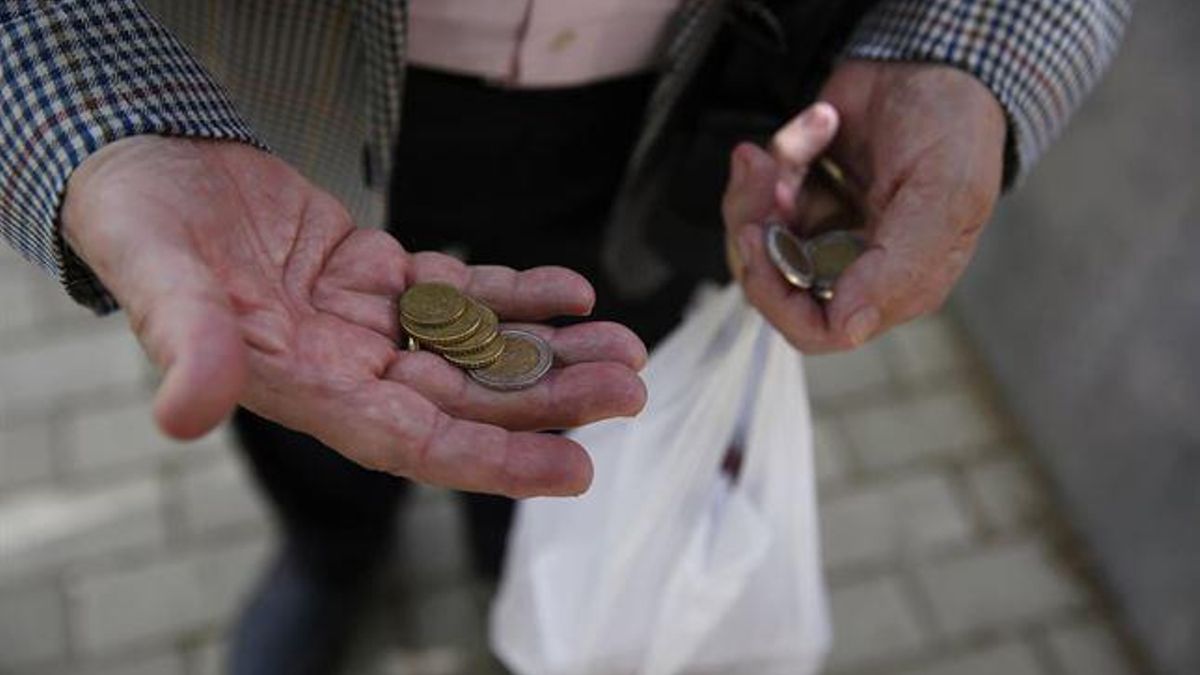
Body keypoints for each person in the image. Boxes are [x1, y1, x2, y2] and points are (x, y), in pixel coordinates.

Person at [1, 1, 1131, 673]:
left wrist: (966, 42)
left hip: (686, 110)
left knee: (575, 416)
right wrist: (92, 112)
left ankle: (521, 577)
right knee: (299, 393)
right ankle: (332, 548)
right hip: (263, 106)